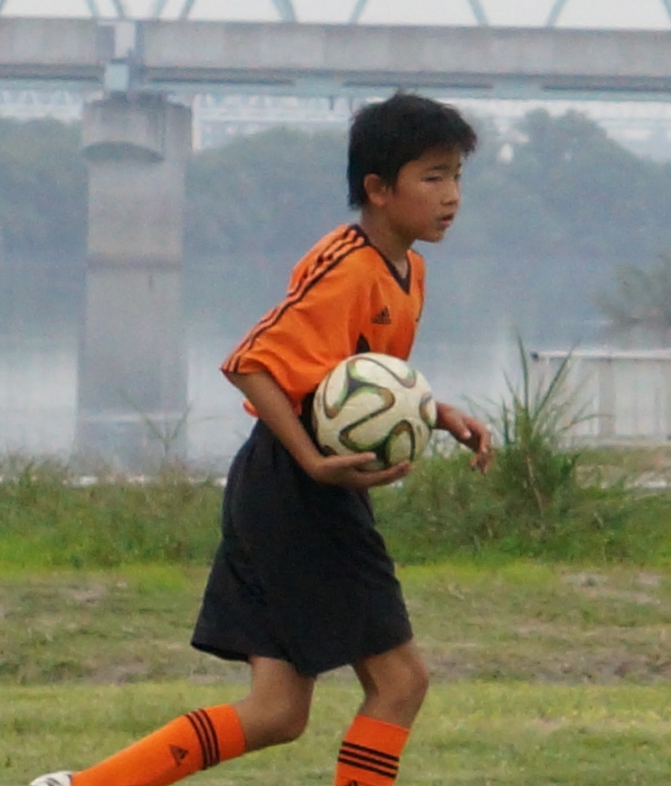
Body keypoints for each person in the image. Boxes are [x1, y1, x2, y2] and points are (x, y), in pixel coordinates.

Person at [29, 92, 493, 786]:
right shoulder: (348, 266)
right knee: (401, 682)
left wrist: (435, 413)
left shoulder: (406, 269)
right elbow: (251, 362)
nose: (451, 194)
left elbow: (355, 382)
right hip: (297, 492)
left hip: (284, 489)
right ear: (378, 188)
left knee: (277, 711)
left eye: (456, 175)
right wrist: (313, 462)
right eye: (433, 176)